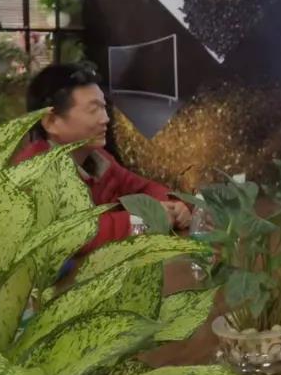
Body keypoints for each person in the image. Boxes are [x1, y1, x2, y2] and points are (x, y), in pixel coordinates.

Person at [15, 63, 191, 253]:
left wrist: (174, 206)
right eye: (93, 110)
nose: (105, 118)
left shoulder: (99, 159)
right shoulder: (32, 172)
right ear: (51, 121)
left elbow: (142, 189)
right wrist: (142, 222)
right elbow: (71, 234)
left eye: (104, 108)